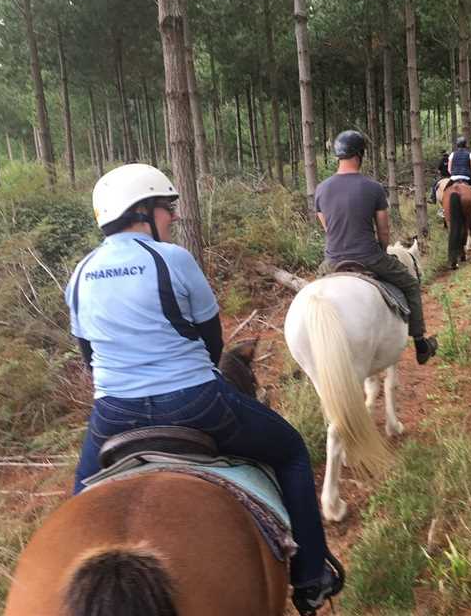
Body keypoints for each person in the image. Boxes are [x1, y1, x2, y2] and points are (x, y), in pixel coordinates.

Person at [65, 163, 342, 616]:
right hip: (195, 402)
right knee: (291, 450)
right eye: (165, 208)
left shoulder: (80, 273)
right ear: (142, 211)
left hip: (113, 413)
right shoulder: (173, 259)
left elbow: (88, 355)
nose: (172, 218)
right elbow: (213, 339)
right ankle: (311, 576)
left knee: (79, 509)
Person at [315, 130, 438, 365]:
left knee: (314, 296)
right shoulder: (373, 188)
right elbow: (383, 231)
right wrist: (382, 251)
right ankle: (420, 343)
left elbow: (328, 229)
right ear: (360, 155)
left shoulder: (321, 189)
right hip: (369, 257)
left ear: (338, 156)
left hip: (332, 261)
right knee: (410, 284)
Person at [447, 136, 471, 214]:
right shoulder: (469, 154)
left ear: (457, 145)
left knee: (445, 190)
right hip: (466, 177)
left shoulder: (452, 154)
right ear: (465, 145)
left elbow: (449, 169)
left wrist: (454, 173)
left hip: (454, 177)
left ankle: (443, 209)